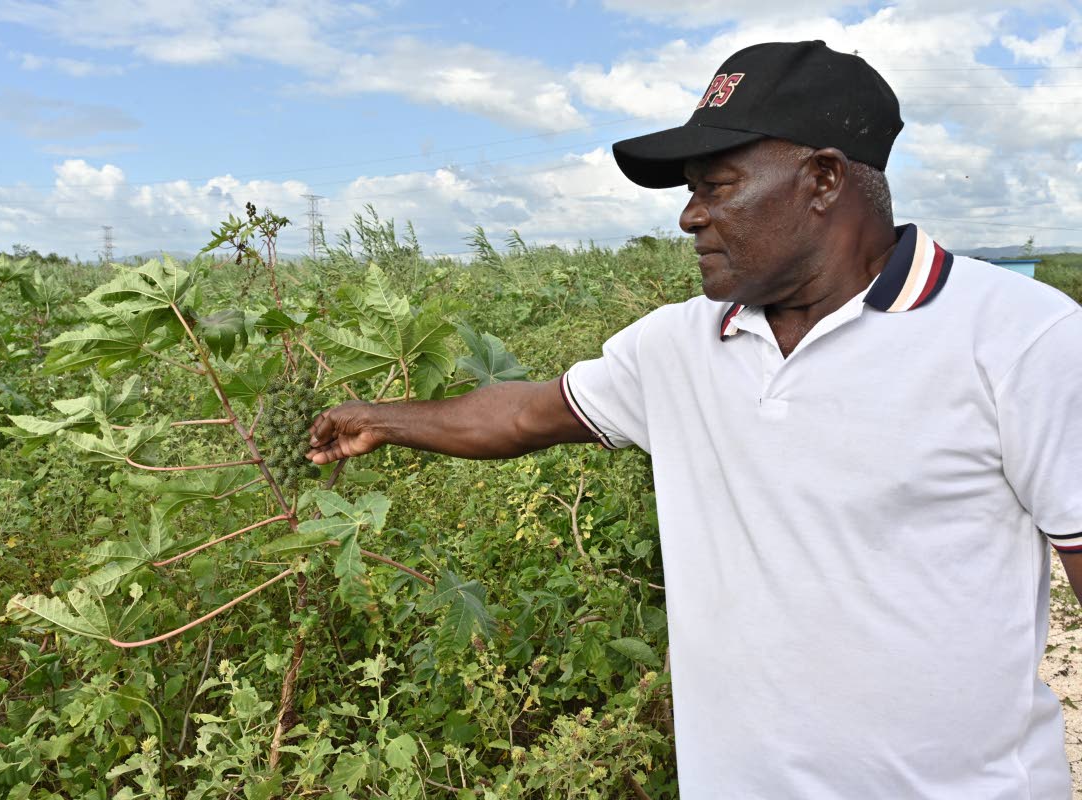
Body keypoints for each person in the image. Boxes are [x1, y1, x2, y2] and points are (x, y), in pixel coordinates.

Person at [306, 40, 1082, 798]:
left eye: (717, 186)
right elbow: (521, 415)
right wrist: (379, 418)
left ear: (823, 179)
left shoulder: (1020, 339)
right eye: (690, 190)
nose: (689, 217)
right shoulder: (676, 345)